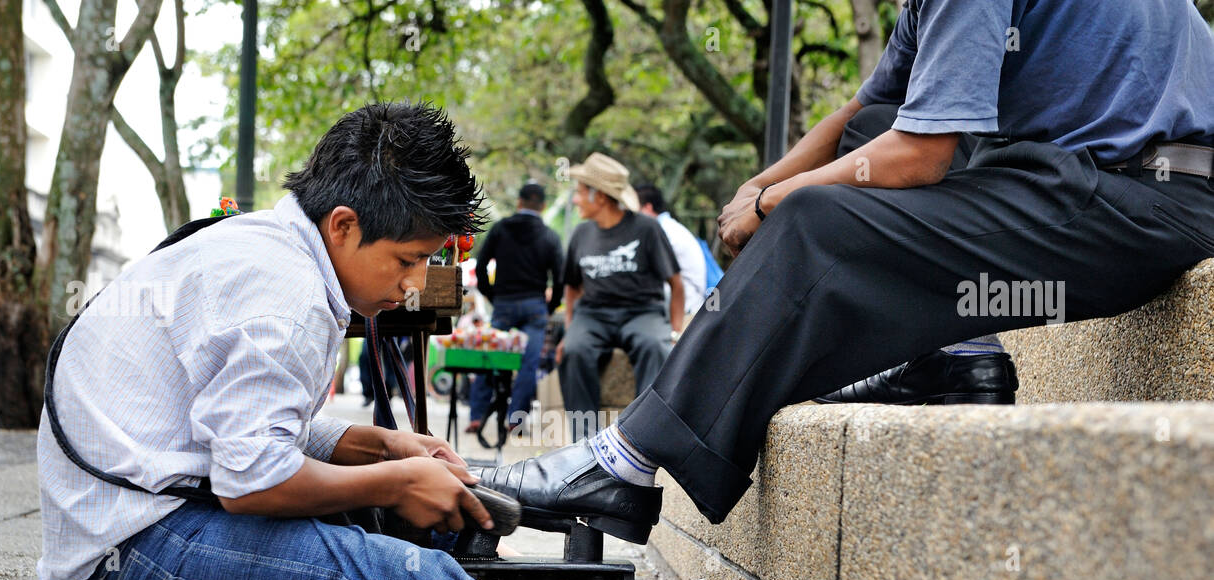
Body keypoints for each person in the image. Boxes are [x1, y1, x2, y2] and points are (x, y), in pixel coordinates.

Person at [36, 102, 797, 580]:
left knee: (408, 505)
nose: (409, 288)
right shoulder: (286, 292)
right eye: (406, 261)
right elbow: (248, 479)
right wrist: (397, 479)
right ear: (342, 224)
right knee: (358, 570)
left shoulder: (280, 257)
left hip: (163, 486)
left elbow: (245, 430)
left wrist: (384, 446)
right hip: (135, 532)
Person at [472, 0, 1214, 539]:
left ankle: (625, 464)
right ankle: (953, 355)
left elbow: (920, 156)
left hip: (1149, 198)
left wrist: (774, 205)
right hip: (1086, 178)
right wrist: (755, 187)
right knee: (851, 151)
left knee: (816, 219)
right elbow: (865, 116)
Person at [556, 153, 684, 442]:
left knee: (655, 347)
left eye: (579, 192)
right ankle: (584, 444)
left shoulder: (647, 229)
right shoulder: (580, 233)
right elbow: (573, 288)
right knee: (574, 351)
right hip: (593, 314)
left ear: (599, 196)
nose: (575, 200)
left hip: (643, 311)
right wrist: (569, 329)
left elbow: (676, 283)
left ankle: (643, 439)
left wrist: (675, 332)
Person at [468, 181, 564, 436]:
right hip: (535, 307)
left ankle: (477, 416)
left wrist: (493, 297)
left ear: (519, 202)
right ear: (543, 206)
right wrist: (550, 306)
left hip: (504, 304)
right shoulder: (550, 236)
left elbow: (480, 268)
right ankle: (516, 420)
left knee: (489, 357)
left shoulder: (500, 229)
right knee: (528, 365)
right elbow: (561, 277)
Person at [635, 184, 707, 321]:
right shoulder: (667, 228)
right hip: (685, 307)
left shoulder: (665, 232)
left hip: (685, 314)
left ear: (647, 208)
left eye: (634, 210)